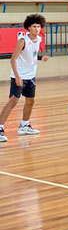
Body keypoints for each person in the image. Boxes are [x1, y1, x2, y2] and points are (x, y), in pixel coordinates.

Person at [0, 13, 50, 142]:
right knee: (13, 101)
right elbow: (13, 59)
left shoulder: (38, 39)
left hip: (31, 76)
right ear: (28, 28)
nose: (37, 29)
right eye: (34, 26)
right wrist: (17, 77)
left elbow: (32, 55)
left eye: (39, 26)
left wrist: (40, 58)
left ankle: (24, 125)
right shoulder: (23, 41)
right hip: (19, 76)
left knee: (30, 101)